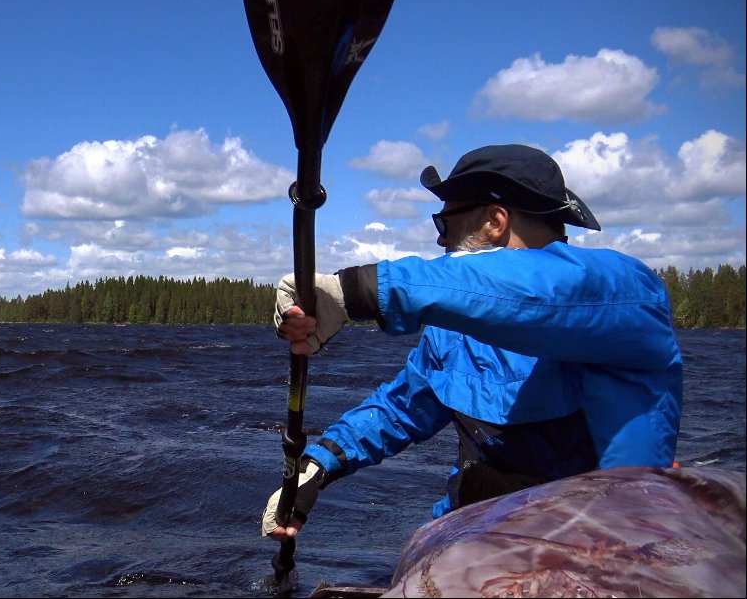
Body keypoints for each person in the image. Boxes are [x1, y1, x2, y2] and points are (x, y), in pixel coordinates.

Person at [262, 143, 683, 541]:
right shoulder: (452, 333)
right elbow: (399, 408)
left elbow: (542, 291)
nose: (440, 240)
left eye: (445, 223)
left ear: (495, 222)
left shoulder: (627, 297)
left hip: (602, 555)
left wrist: (357, 292)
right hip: (474, 539)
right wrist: (317, 467)